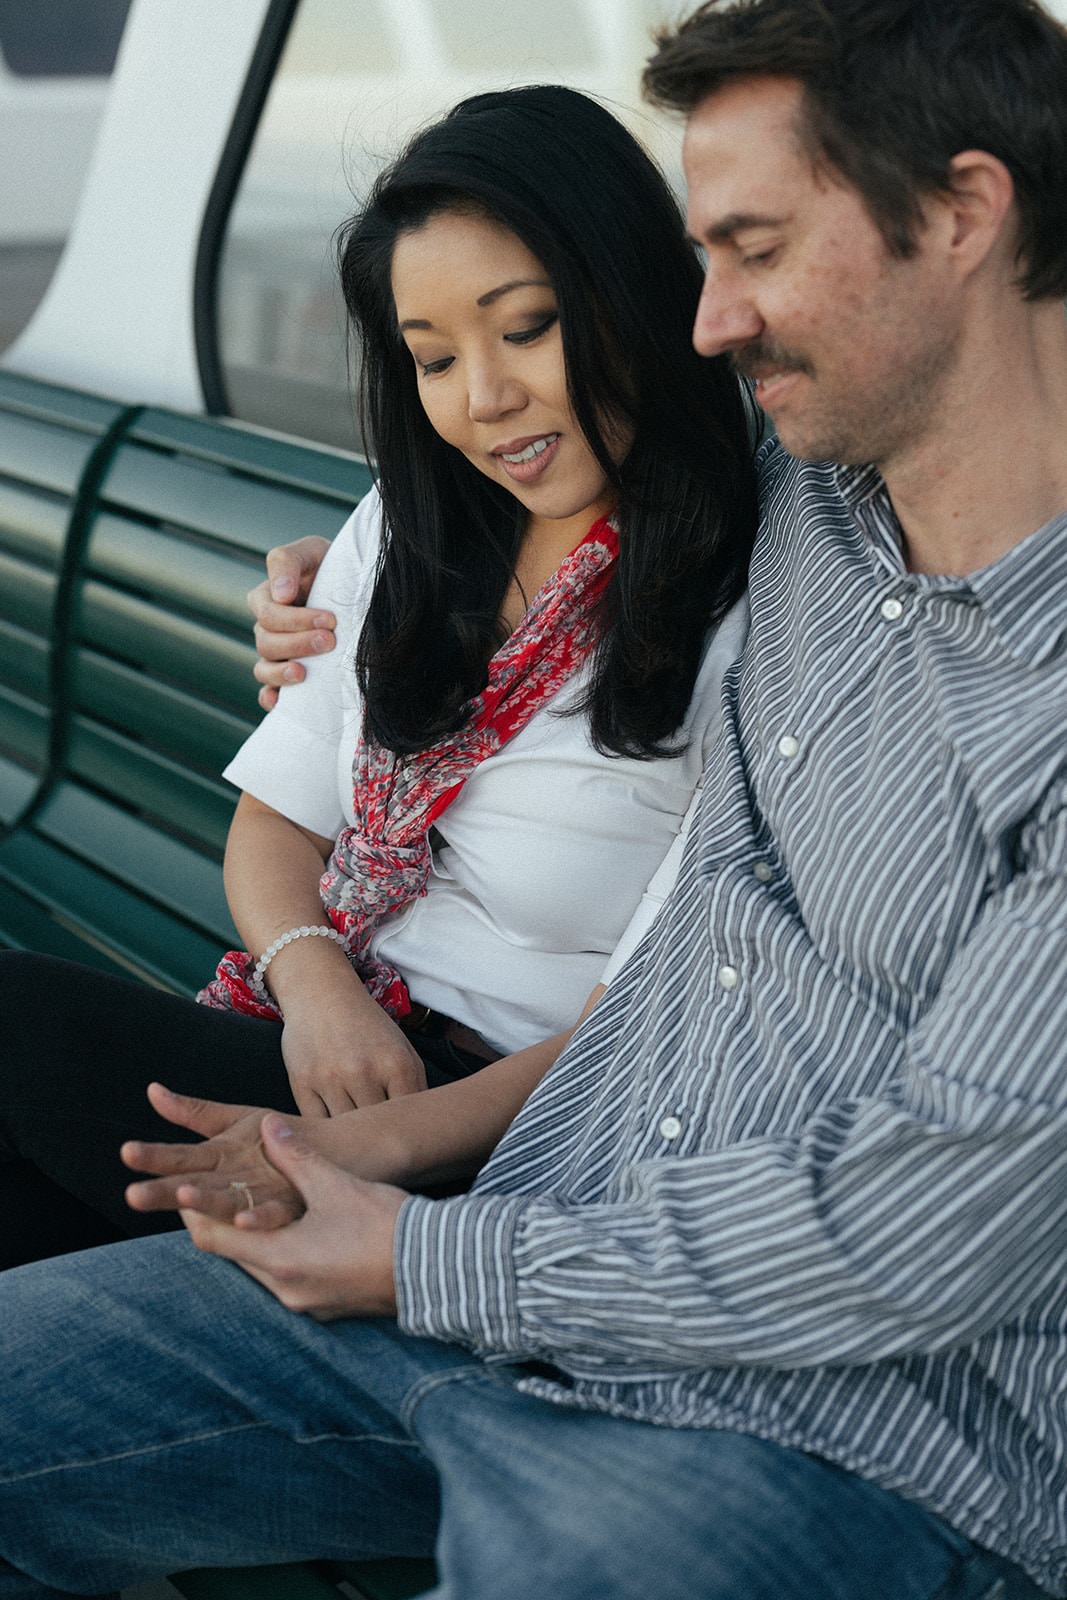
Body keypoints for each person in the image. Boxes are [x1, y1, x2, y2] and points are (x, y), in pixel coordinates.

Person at [2, 1, 1066, 1595]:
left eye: (753, 247)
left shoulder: (929, 624)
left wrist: (420, 1232)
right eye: (694, 258)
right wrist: (318, 577)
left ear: (967, 214)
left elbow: (921, 1223)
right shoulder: (816, 514)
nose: (704, 321)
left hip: (813, 1424)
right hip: (506, 1264)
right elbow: (530, 481)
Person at [0, 84, 757, 1269]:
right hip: (329, 1032)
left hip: (510, 1129)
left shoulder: (752, 598)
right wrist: (320, 994)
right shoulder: (416, 525)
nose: (483, 400)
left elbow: (666, 1009)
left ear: (631, 291)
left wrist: (380, 1149)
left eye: (527, 327)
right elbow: (276, 820)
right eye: (434, 358)